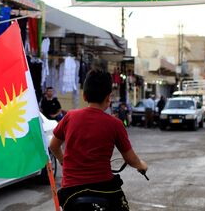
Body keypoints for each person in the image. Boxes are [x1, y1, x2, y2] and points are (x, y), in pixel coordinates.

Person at [49, 69, 148, 210]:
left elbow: (53, 146)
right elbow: (130, 159)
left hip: (71, 192)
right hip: (104, 189)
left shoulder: (70, 117)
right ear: (109, 98)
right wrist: (141, 165)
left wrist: (63, 161)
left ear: (84, 96)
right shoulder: (115, 124)